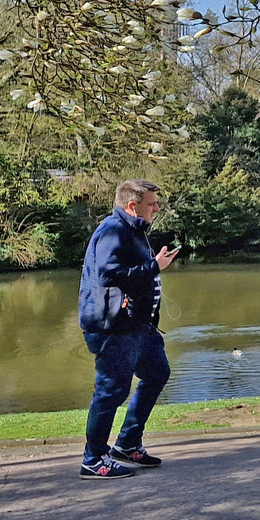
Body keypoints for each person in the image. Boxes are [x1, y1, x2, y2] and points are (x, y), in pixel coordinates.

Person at [76, 179, 178, 479]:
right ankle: (93, 459)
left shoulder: (132, 230)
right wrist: (154, 267)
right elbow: (108, 275)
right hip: (114, 328)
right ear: (132, 206)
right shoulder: (113, 230)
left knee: (158, 372)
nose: (157, 208)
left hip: (139, 326)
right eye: (152, 203)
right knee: (111, 391)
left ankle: (127, 443)